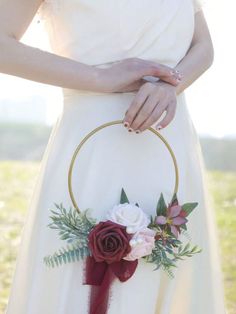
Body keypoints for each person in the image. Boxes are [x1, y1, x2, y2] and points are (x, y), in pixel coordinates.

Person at [0, 0, 226, 313]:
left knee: (167, 281)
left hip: (170, 145)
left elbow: (203, 45)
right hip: (93, 151)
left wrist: (170, 83)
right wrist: (100, 78)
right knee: (81, 283)